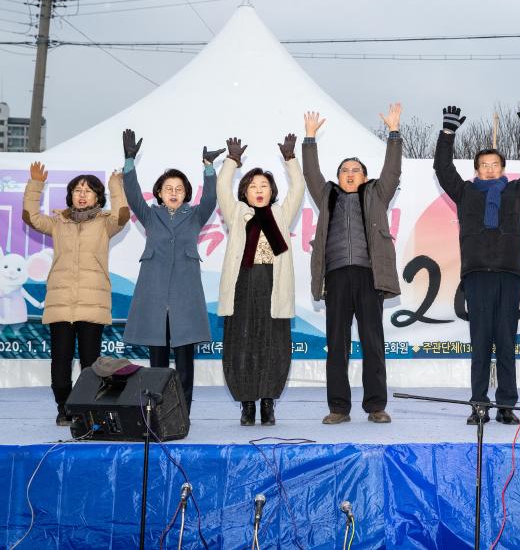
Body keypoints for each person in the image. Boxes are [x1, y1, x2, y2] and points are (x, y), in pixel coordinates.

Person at [434, 102, 520, 425]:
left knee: (506, 343)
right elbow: (443, 169)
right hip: (477, 275)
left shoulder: (517, 192)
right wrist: (447, 133)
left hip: (509, 275)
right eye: (483, 165)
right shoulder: (466, 193)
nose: (489, 169)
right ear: (476, 170)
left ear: (503, 168)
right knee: (481, 343)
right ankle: (479, 405)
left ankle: (506, 405)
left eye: (494, 164)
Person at [302, 105, 403, 425]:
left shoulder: (377, 193)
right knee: (337, 344)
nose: (349, 174)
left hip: (369, 276)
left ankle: (376, 406)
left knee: (373, 342)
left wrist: (394, 133)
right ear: (338, 177)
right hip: (336, 277)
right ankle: (338, 408)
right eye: (344, 170)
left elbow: (392, 171)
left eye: (355, 170)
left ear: (365, 177)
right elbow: (311, 174)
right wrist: (309, 138)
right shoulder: (326, 195)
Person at [120, 129, 225, 413]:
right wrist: (129, 161)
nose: (174, 193)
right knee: (157, 363)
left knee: (185, 362)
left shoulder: (195, 216)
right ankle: (157, 413)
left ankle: (183, 413)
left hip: (185, 298)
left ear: (186, 193)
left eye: (179, 189)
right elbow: (132, 194)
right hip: (155, 297)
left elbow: (210, 199)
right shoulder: (149, 215)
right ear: (159, 193)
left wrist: (209, 168)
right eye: (169, 188)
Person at [22, 162, 128, 425]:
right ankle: (64, 407)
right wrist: (35, 185)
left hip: (92, 303)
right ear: (70, 196)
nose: (82, 194)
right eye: (77, 190)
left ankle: (87, 408)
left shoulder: (105, 223)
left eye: (88, 190)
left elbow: (122, 215)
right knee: (60, 360)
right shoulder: (58, 223)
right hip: (61, 303)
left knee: (91, 363)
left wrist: (116, 185)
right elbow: (31, 217)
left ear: (97, 197)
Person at [217, 134, 305, 426]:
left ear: (272, 191)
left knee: (274, 344)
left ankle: (268, 402)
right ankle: (247, 404)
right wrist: (232, 161)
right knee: (241, 344)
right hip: (243, 286)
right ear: (244, 191)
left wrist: (290, 159)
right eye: (253, 186)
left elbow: (299, 188)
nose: (258, 190)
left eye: (264, 186)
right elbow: (222, 188)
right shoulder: (237, 213)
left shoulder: (280, 214)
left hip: (273, 287)